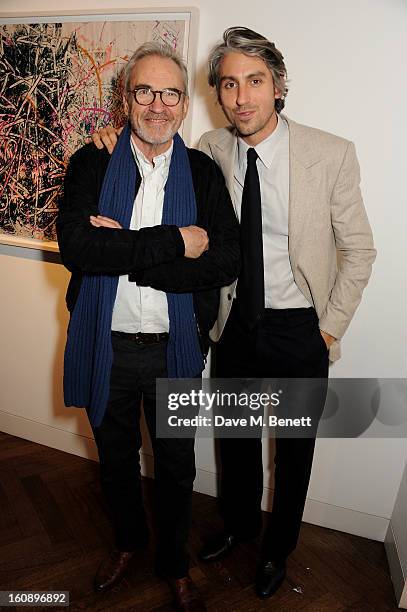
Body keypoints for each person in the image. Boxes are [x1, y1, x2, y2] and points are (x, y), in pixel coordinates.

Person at [91, 26, 376, 600]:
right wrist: (110, 140)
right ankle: (240, 528)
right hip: (234, 327)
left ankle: (277, 552)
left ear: (278, 86)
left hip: (300, 329)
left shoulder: (330, 153)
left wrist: (327, 329)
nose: (242, 97)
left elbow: (360, 248)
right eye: (229, 85)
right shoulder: (212, 151)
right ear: (217, 95)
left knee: (292, 454)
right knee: (237, 441)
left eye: (255, 81)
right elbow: (154, 145)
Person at [57, 42, 240, 612]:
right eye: (145, 92)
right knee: (115, 462)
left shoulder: (205, 174)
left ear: (184, 105)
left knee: (178, 468)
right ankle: (129, 544)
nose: (157, 105)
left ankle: (173, 565)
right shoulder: (92, 162)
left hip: (174, 351)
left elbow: (224, 261)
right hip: (104, 347)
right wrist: (174, 243)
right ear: (126, 99)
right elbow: (78, 246)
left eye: (169, 94)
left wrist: (127, 252)